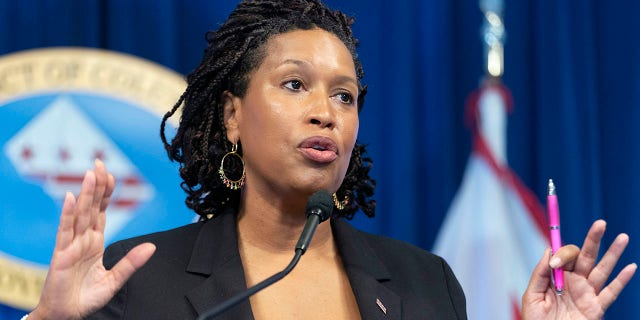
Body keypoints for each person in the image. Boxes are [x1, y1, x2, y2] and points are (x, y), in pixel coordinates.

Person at [26, 0, 636, 319]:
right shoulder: (141, 282)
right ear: (233, 116)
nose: (327, 113)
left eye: (344, 96)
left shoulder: (427, 286)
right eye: (294, 85)